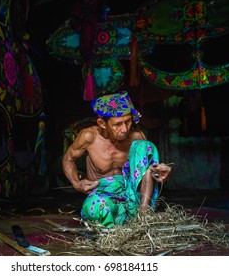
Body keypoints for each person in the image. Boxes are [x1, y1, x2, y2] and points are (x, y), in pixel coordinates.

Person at [62, 90, 171, 228]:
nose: (125, 129)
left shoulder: (136, 137)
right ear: (102, 123)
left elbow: (148, 172)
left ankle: (143, 213)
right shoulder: (89, 137)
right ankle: (119, 222)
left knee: (145, 146)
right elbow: (68, 159)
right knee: (98, 209)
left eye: (128, 121)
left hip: (132, 197)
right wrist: (76, 183)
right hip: (103, 194)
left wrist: (160, 173)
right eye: (118, 124)